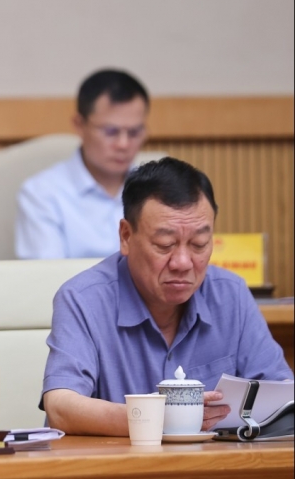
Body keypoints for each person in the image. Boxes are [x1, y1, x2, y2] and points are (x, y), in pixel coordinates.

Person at [41, 157, 293, 436]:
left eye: (199, 244)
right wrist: (162, 419)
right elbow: (61, 407)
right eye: (165, 245)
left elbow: (284, 398)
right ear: (126, 236)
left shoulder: (230, 294)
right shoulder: (82, 299)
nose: (183, 262)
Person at [15, 69, 149, 259]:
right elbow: (46, 274)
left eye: (134, 132)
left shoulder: (155, 188)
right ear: (79, 125)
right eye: (111, 132)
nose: (123, 144)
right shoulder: (41, 194)